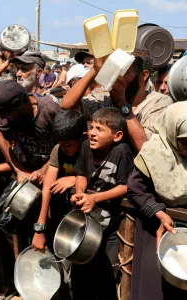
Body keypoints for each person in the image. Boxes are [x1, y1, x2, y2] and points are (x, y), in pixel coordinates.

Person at [70, 107, 134, 300]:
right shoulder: (84, 147)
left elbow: (125, 187)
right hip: (86, 225)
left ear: (117, 135)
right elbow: (80, 174)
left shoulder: (121, 151)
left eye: (99, 129)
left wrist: (95, 198)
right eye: (92, 127)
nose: (92, 133)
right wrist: (80, 193)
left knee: (105, 277)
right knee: (81, 273)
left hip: (109, 229)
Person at [127, 102, 187, 300]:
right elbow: (136, 189)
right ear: (171, 131)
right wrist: (159, 213)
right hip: (158, 231)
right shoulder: (153, 153)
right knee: (153, 289)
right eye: (184, 141)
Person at [61, 49, 174, 150]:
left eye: (124, 73)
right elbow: (67, 105)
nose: (117, 77)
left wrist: (122, 105)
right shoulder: (106, 98)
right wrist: (95, 69)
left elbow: (145, 148)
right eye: (116, 72)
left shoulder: (159, 102)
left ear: (144, 75)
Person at [32, 110, 87, 251]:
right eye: (61, 145)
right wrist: (40, 226)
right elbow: (48, 186)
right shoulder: (58, 150)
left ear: (82, 137)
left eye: (68, 145)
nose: (64, 149)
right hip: (63, 210)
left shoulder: (90, 150)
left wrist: (75, 179)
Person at [0, 80, 60, 185]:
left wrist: (45, 169)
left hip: (55, 171)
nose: (3, 119)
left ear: (19, 106)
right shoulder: (9, 113)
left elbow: (64, 144)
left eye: (5, 115)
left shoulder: (49, 110)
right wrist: (19, 170)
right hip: (29, 170)